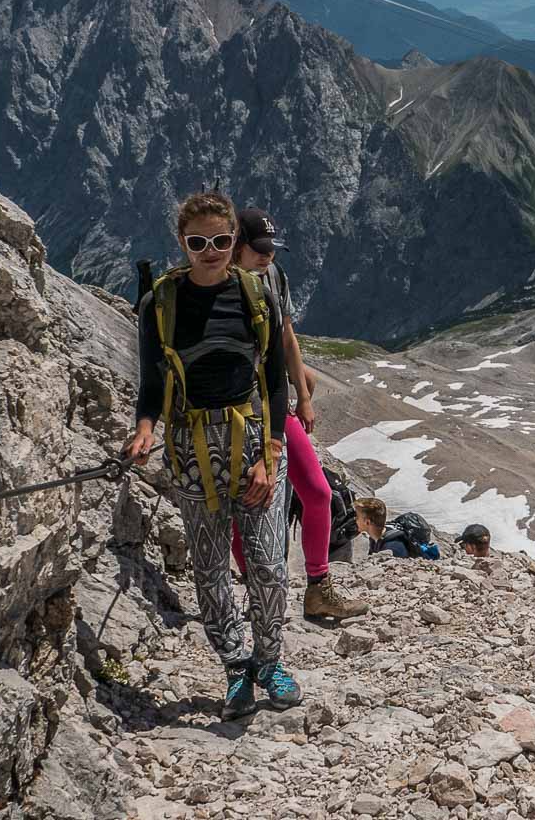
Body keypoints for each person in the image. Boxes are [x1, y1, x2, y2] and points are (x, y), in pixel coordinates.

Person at [124, 190, 301, 719]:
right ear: (182, 242)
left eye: (222, 240)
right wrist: (143, 428)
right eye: (198, 241)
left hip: (253, 444)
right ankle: (236, 667)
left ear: (233, 241)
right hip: (190, 447)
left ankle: (268, 663)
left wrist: (271, 455)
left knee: (268, 564)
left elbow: (274, 385)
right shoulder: (160, 304)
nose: (211, 250)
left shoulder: (256, 297)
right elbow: (151, 382)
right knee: (210, 569)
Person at [227, 207, 370, 624]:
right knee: (245, 507)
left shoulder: (273, 277)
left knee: (319, 492)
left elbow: (286, 334)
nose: (268, 255)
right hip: (235, 413)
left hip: (273, 404)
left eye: (272, 248)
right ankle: (258, 591)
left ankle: (318, 587)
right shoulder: (218, 285)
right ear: (236, 246)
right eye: (259, 249)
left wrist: (302, 395)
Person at [354, 497, 440, 559]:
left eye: (357, 517)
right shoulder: (375, 537)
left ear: (367, 522)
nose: (355, 520)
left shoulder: (393, 548)